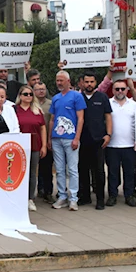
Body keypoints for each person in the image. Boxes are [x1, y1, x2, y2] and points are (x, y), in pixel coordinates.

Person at [49, 70, 86, 211]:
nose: (59, 83)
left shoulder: (77, 97)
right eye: (57, 80)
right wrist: (50, 138)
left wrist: (77, 138)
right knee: (59, 169)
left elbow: (80, 119)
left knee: (72, 169)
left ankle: (73, 198)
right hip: (57, 138)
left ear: (68, 81)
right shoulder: (56, 98)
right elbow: (52, 119)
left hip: (70, 139)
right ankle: (62, 196)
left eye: (61, 80)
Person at [76, 72, 112, 210]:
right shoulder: (78, 98)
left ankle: (100, 199)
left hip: (98, 140)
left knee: (99, 171)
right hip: (82, 140)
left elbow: (108, 116)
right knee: (82, 170)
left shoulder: (102, 97)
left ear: (95, 83)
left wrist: (108, 134)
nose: (89, 84)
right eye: (86, 82)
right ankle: (84, 197)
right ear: (82, 83)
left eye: (91, 81)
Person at [106, 79, 136, 207]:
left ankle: (129, 195)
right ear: (113, 90)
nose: (120, 91)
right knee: (113, 173)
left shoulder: (133, 105)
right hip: (112, 145)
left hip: (130, 145)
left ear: (127, 90)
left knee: (130, 172)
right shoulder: (108, 103)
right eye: (117, 89)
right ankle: (112, 195)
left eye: (122, 89)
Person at [15, 85, 47, 211]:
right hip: (18, 147)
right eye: (25, 94)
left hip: (34, 146)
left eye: (30, 94)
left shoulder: (37, 110)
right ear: (20, 96)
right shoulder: (14, 109)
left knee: (32, 173)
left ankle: (30, 198)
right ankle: (18, 197)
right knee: (19, 173)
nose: (28, 96)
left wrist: (44, 145)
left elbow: (43, 128)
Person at [34, 82, 55, 204]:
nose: (41, 91)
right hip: (33, 140)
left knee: (47, 168)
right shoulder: (31, 103)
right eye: (38, 89)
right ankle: (35, 191)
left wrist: (49, 140)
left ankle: (48, 192)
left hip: (47, 139)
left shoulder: (51, 104)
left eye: (43, 89)